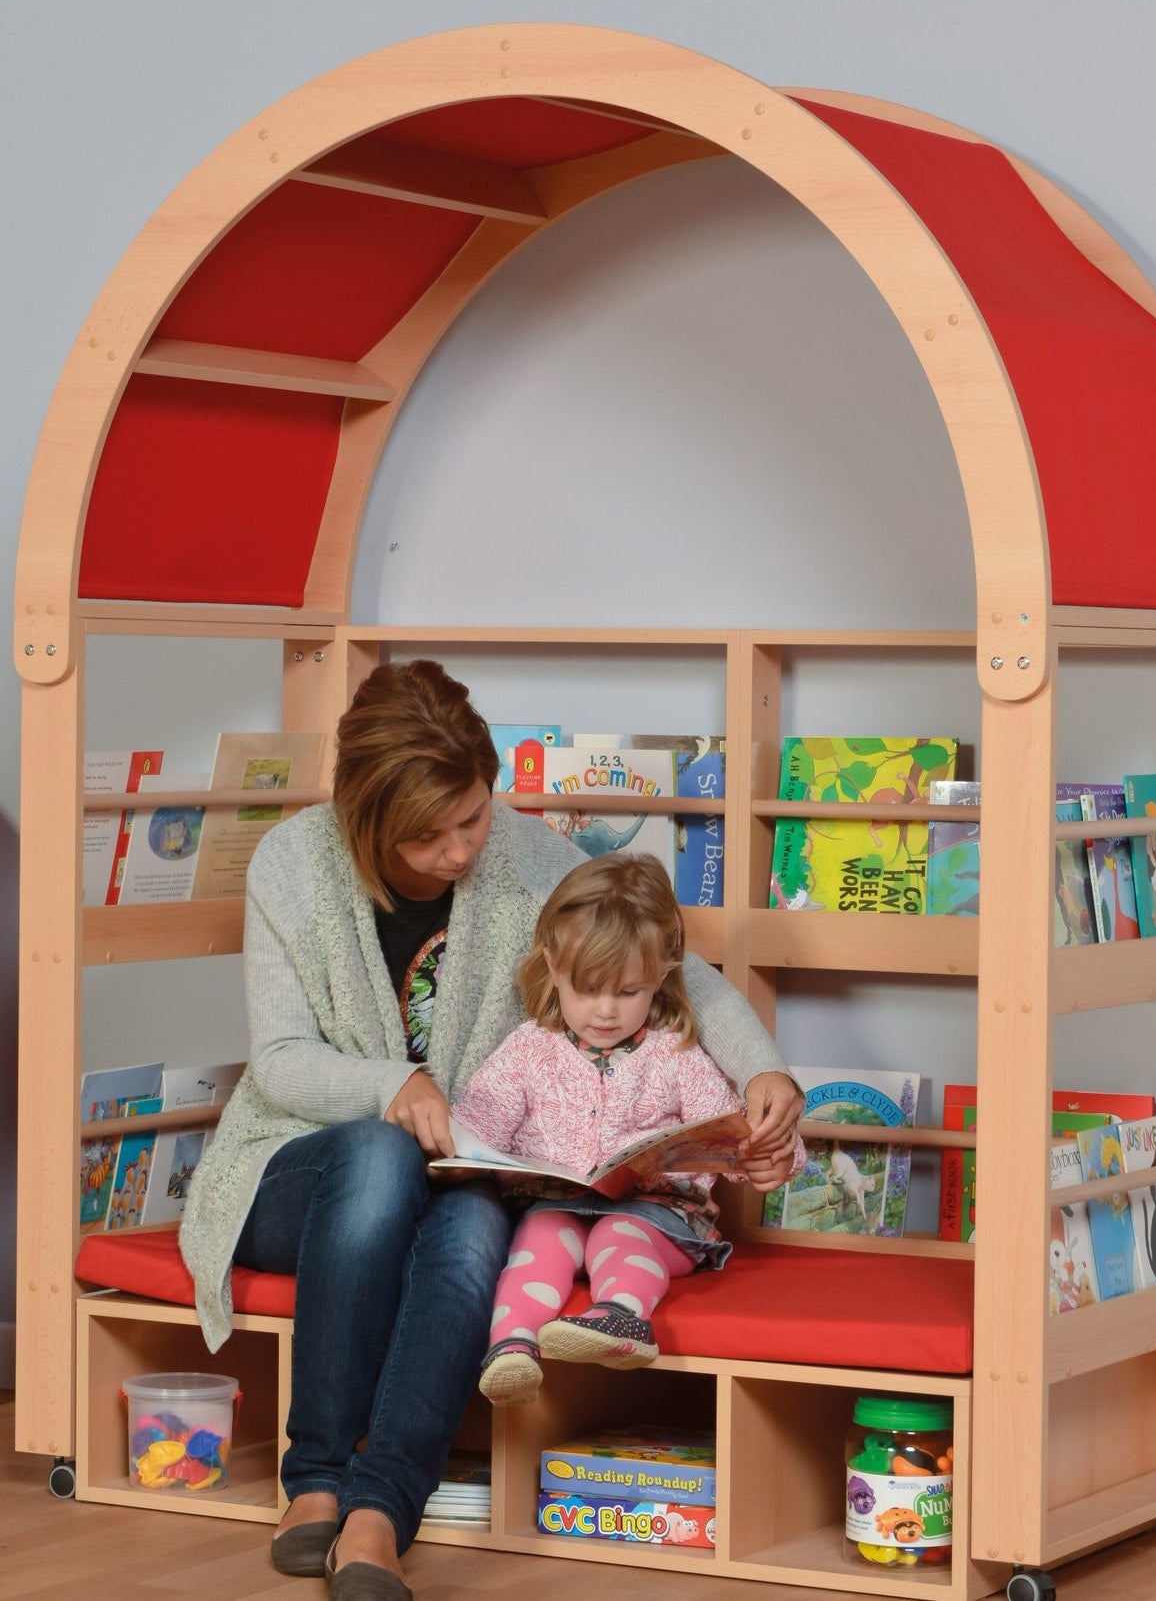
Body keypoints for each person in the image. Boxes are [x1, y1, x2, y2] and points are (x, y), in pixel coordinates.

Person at [177, 660, 803, 1601]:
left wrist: (762, 1070)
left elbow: (679, 970)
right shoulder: (292, 865)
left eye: (471, 817)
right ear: (364, 818)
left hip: (462, 1169)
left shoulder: (522, 852)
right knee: (379, 1151)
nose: (460, 850)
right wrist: (394, 1086)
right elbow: (280, 1062)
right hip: (297, 1169)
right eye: (428, 835)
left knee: (473, 1227)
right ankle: (316, 1478)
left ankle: (380, 1513)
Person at [454, 852, 805, 1406]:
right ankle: (511, 1347)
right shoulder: (526, 1049)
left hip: (660, 1218)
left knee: (619, 1232)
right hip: (558, 1205)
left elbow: (733, 1134)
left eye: (627, 992)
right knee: (539, 1237)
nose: (605, 1012)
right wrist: (457, 1156)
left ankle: (620, 1318)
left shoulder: (677, 1055)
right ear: (552, 965)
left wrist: (773, 1155)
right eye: (587, 989)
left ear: (661, 976)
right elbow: (476, 1129)